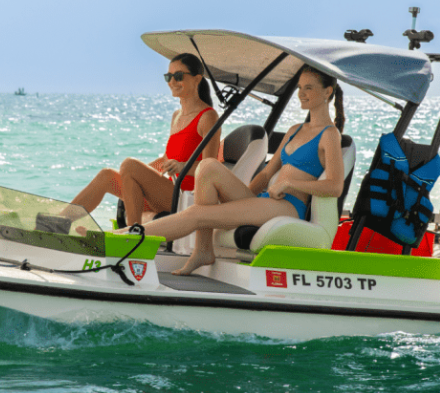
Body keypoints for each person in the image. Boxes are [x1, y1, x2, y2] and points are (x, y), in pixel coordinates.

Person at [138, 66, 345, 276]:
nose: (301, 93)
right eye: (299, 87)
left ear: (327, 92)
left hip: (288, 206)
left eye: (308, 88)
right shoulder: (295, 130)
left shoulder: (330, 135)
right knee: (207, 166)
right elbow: (265, 174)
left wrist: (289, 184)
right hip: (266, 201)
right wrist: (243, 198)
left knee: (196, 213)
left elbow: (335, 186)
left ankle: (125, 236)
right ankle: (203, 249)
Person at [66, 53, 220, 228]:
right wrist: (138, 173)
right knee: (107, 175)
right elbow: (166, 160)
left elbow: (211, 169)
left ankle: (134, 235)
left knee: (129, 165)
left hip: (186, 198)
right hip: (166, 193)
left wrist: (182, 166)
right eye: (168, 77)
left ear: (197, 79)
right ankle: (59, 222)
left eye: (178, 76)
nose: (172, 82)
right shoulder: (176, 116)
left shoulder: (208, 117)